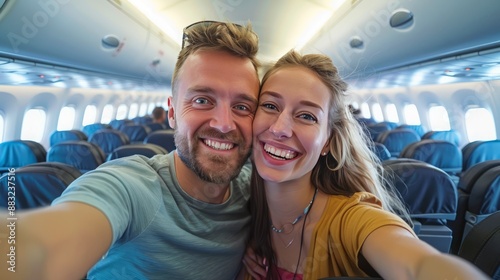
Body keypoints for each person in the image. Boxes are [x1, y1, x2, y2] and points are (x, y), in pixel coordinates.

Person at [0, 21, 260, 280]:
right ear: (171, 112)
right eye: (202, 100)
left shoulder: (256, 192)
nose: (224, 124)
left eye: (242, 107)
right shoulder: (131, 186)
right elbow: (42, 246)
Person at [242, 50, 489, 280]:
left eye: (307, 116)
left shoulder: (351, 219)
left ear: (327, 141)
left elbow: (419, 265)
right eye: (270, 106)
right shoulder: (238, 203)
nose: (279, 129)